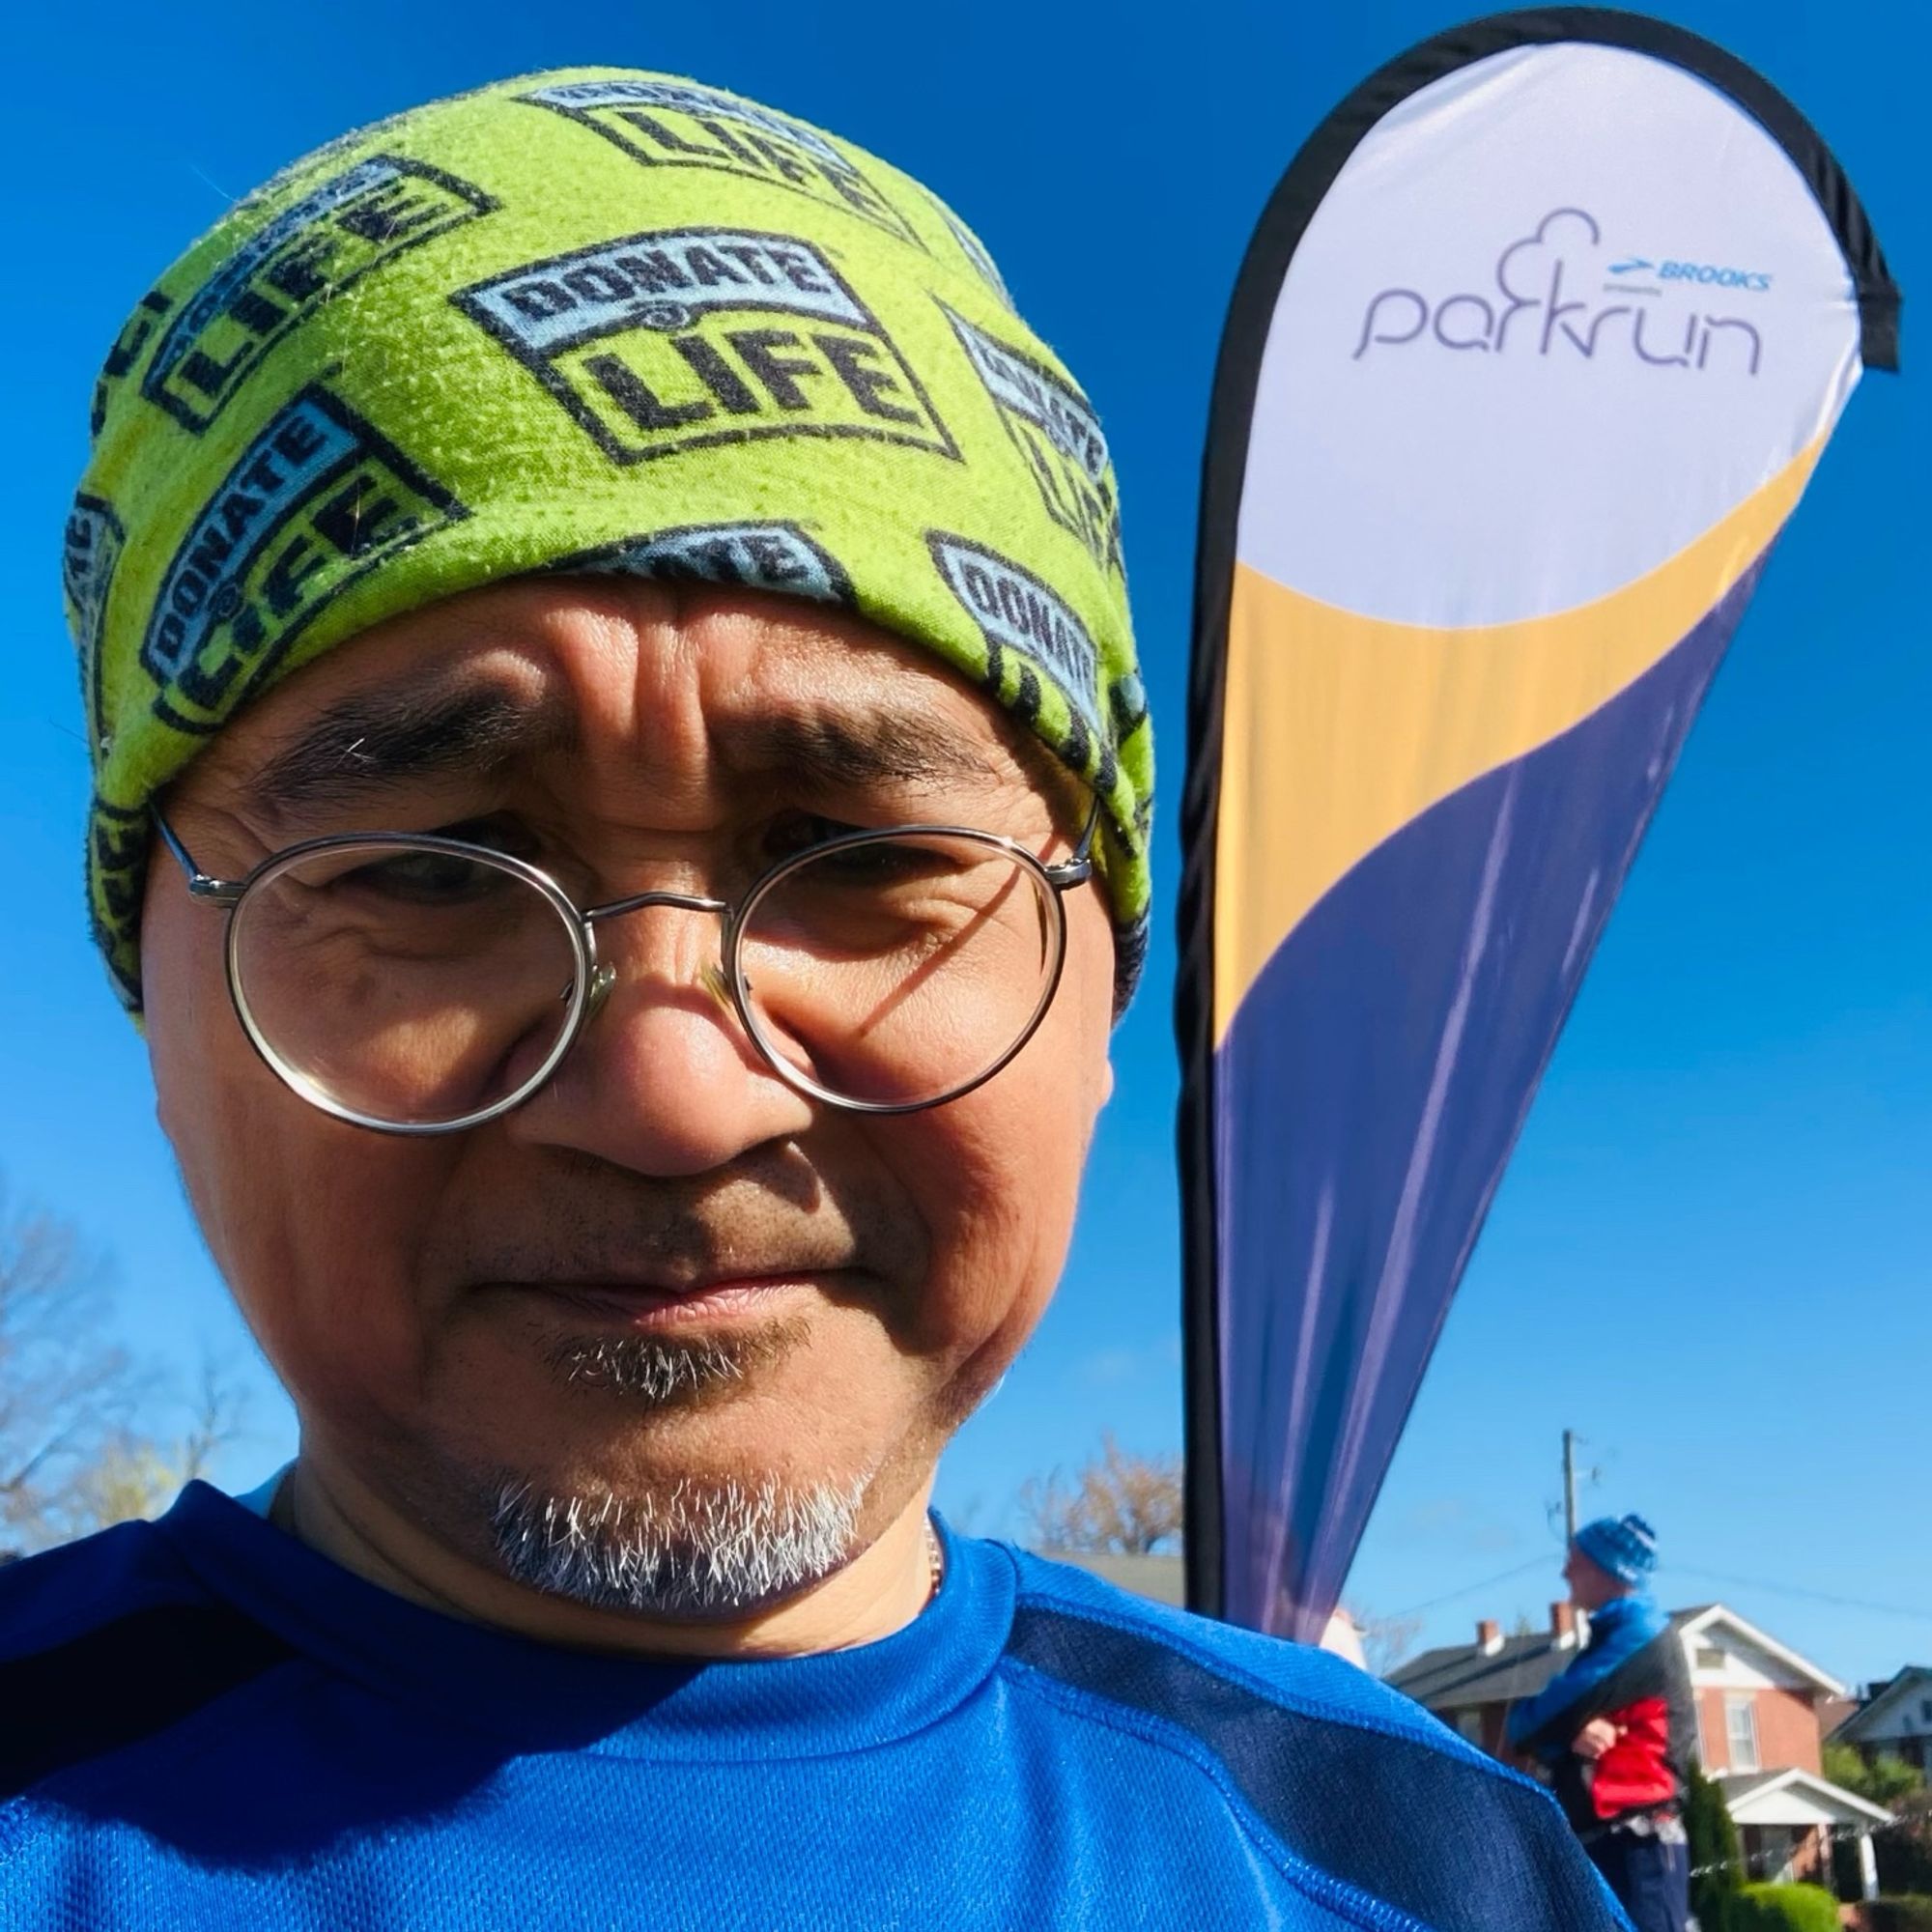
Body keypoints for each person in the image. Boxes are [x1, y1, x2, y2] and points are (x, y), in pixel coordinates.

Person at [5, 69, 1629, 1929]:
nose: (673, 1097)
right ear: (156, 1004)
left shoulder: (1428, 1862)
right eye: (430, 872)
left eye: (863, 860)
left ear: (1105, 993)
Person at [1507, 1515, 1696, 1932]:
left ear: (1608, 1568)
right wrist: (1569, 1736)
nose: (1564, 1572)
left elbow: (1533, 1722)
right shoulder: (1616, 1636)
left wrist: (1555, 1733)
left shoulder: (1637, 1635)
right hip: (1615, 1844)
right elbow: (1556, 1723)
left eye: (1574, 1561)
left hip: (1638, 1845)